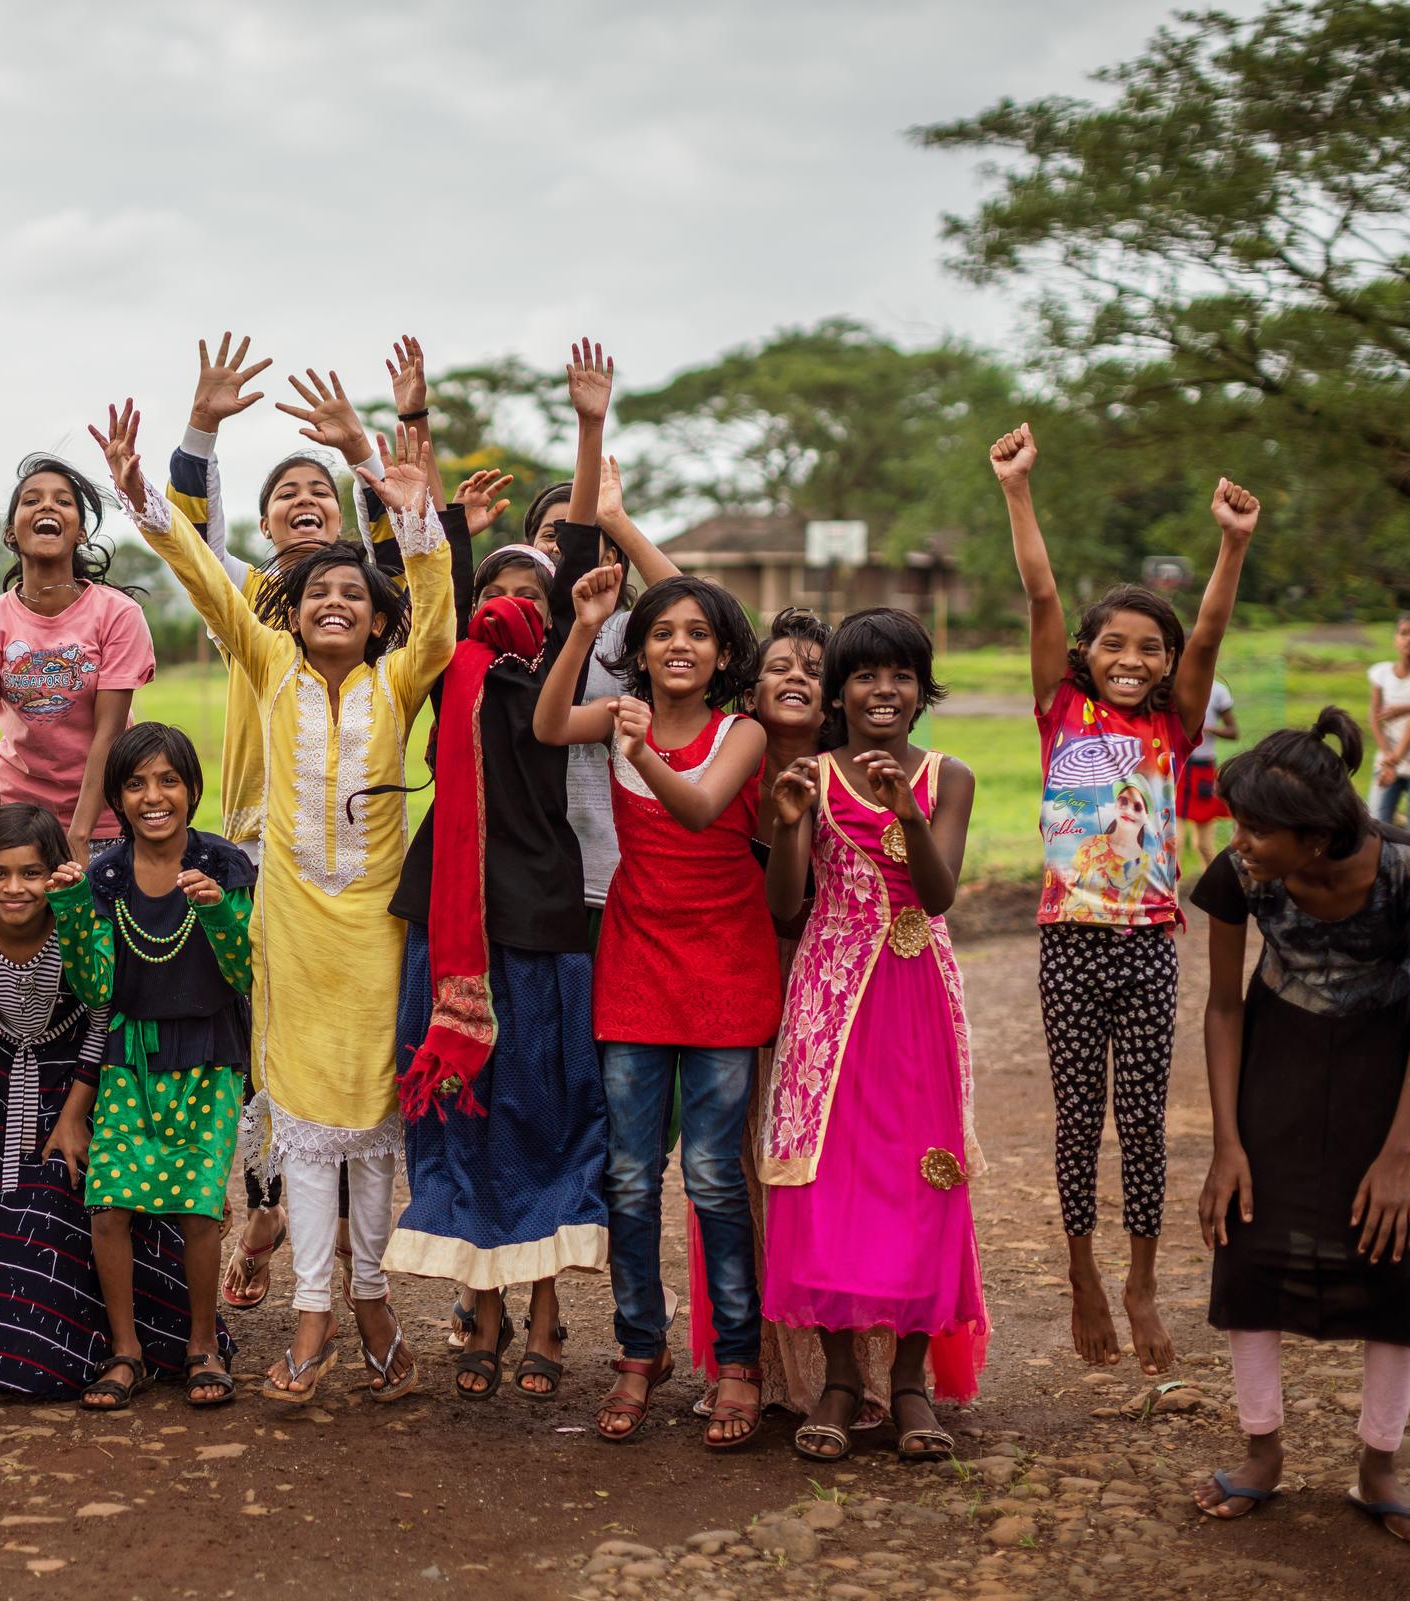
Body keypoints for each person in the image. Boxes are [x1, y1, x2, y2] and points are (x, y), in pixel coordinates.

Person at [100, 402, 453, 1405]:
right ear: (288, 613)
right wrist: (141, 500)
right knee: (299, 1115)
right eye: (314, 592)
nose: (333, 601)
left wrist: (412, 511)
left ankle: (373, 1299)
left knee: (376, 1117)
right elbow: (210, 582)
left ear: (376, 617)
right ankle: (311, 1316)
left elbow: (439, 616)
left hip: (378, 926)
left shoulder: (401, 680)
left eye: (353, 592)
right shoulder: (267, 663)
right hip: (292, 928)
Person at [384, 346, 625, 1403]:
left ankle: (540, 1307)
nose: (516, 595)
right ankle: (474, 1306)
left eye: (540, 584)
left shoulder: (559, 678)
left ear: (567, 599)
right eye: (502, 581)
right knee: (461, 1110)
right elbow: (428, 560)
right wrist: (416, 424)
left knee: (537, 1103)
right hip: (448, 908)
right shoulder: (453, 668)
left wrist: (588, 430)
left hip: (540, 912)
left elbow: (576, 543)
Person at [992, 421, 1258, 1375]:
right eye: (1115, 643)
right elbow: (1040, 591)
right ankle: (1082, 1273)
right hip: (1068, 936)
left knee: (1141, 1121)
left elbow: (1215, 629)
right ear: (1087, 654)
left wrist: (1231, 544)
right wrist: (1019, 490)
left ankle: (1143, 1278)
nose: (1134, 657)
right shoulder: (1060, 708)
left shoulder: (1177, 725)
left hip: (1149, 941)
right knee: (1076, 1117)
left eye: (1152, 646)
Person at [162, 335, 409, 1317]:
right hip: (257, 851)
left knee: (351, 1042)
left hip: (355, 869)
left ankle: (341, 1240)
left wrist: (364, 457)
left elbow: (404, 557)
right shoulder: (251, 602)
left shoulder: (370, 604)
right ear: (259, 524)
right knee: (260, 1045)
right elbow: (183, 533)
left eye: (319, 489)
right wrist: (203, 429)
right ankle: (267, 1206)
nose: (303, 500)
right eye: (284, 493)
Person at [1189, 710, 1410, 1547]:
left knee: (1394, 1257)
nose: (1239, 841)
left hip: (1391, 1072)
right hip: (1279, 1062)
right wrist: (1227, 1143)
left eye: (1259, 829)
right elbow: (1225, 1006)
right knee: (1250, 1246)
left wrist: (1399, 1154)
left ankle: (1379, 1465)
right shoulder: (1243, 879)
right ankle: (1261, 1452)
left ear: (1316, 837)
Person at [535, 559, 777, 1449]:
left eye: (698, 634)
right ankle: (641, 1351)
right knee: (630, 1176)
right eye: (662, 631)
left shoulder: (741, 732)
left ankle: (740, 1361)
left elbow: (703, 812)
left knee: (712, 1177)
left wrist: (637, 752)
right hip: (636, 966)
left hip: (724, 969)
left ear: (722, 655)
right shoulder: (619, 716)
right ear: (637, 649)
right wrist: (582, 625)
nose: (680, 645)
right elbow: (550, 720)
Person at [759, 608, 988, 1464]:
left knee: (926, 1174)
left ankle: (912, 1385)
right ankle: (843, 1378)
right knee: (831, 1179)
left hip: (917, 993)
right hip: (830, 998)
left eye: (900, 675)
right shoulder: (808, 775)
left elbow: (935, 898)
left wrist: (910, 815)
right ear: (837, 692)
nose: (882, 690)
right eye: (864, 675)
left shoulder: (949, 775)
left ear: (922, 688)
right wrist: (789, 825)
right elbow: (786, 906)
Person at [0, 805, 218, 1396]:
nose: (14, 888)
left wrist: (74, 1118)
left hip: (79, 1079)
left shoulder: (80, 922)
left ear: (58, 874)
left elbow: (101, 1020)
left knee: (69, 1195)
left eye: (30, 873)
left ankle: (114, 1351)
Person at [48, 724, 257, 1409]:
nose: (153, 795)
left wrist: (221, 914)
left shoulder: (225, 867)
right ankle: (126, 1351)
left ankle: (201, 1346)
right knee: (108, 1205)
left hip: (210, 1058)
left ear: (193, 790)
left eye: (169, 780)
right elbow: (97, 988)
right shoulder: (105, 876)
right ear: (116, 796)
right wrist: (74, 910)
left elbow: (244, 971)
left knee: (199, 1209)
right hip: (130, 1061)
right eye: (135, 783)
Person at [0, 455, 156, 864]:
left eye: (63, 501)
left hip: (103, 823)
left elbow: (110, 734)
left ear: (80, 532)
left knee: (98, 929)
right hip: (19, 820)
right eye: (31, 500)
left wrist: (80, 838)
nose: (47, 506)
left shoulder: (117, 614)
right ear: (11, 533)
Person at [1368, 612, 1410, 826]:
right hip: (1387, 762)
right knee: (1376, 824)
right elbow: (1374, 716)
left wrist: (1396, 757)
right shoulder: (1382, 673)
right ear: (1396, 638)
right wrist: (1388, 755)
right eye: (1404, 633)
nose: (1409, 639)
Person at [1179, 677, 1238, 871]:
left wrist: (1207, 729)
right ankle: (1171, 895)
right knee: (1175, 842)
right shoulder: (1175, 686)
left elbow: (1233, 731)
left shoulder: (1218, 691)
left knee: (1203, 844)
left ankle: (1217, 888)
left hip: (1202, 770)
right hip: (1177, 768)